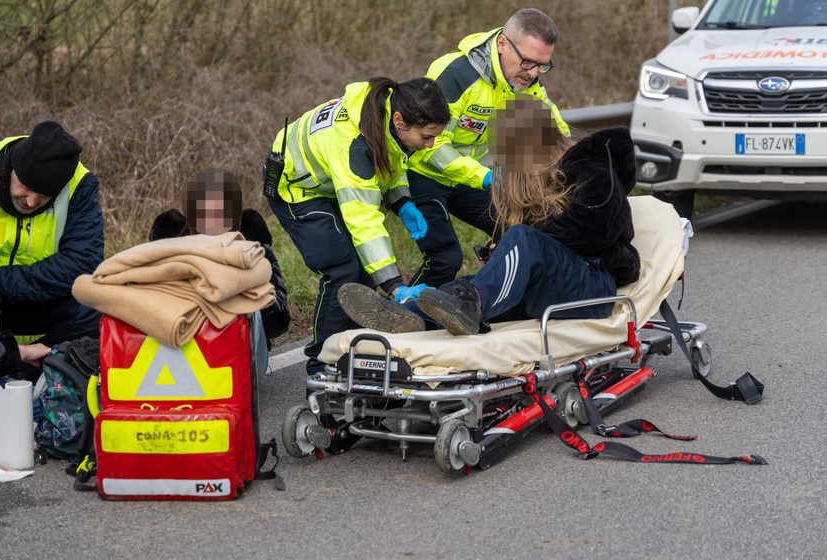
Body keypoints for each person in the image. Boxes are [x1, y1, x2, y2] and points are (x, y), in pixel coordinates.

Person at [338, 95, 640, 336]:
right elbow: (544, 240)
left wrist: (520, 242)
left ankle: (465, 307)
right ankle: (409, 315)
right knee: (468, 285)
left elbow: (595, 227)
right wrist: (503, 247)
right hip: (554, 285)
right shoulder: (536, 178)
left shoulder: (594, 166)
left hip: (593, 284)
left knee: (511, 250)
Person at [263, 76, 451, 375]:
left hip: (329, 182)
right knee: (344, 270)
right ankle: (321, 363)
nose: (430, 144)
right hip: (297, 190)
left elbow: (390, 164)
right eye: (427, 136)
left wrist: (401, 201)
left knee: (364, 270)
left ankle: (355, 350)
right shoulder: (353, 145)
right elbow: (364, 220)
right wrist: (395, 285)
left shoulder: (386, 114)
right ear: (401, 121)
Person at [406, 8, 569, 289]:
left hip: (468, 176)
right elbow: (431, 147)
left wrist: (580, 160)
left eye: (542, 65)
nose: (532, 74)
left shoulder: (525, 79)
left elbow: (553, 129)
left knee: (520, 230)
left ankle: (488, 299)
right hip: (425, 174)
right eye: (528, 62)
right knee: (446, 258)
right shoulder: (456, 74)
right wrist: (484, 177)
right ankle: (408, 314)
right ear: (503, 44)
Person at [148, 168, 291, 372]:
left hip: (242, 358)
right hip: (184, 353)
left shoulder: (255, 248)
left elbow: (279, 324)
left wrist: (250, 280)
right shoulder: (176, 246)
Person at [0, 121, 104, 350]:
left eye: (43, 196)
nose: (30, 202)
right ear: (11, 167)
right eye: (25, 187)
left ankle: (38, 370)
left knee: (97, 304)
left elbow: (83, 263)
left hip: (31, 298)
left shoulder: (79, 186)